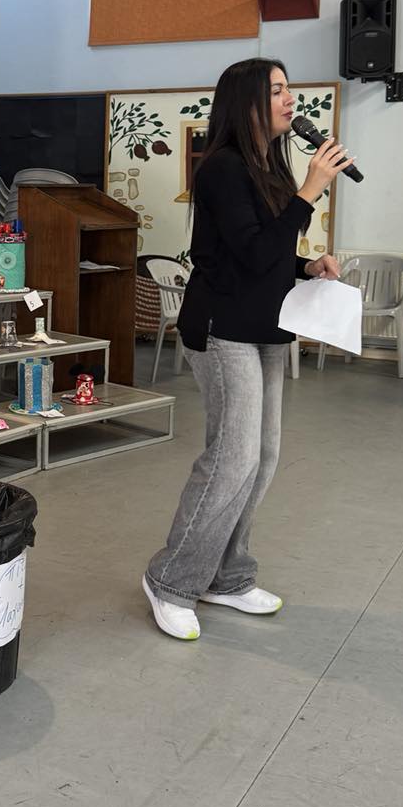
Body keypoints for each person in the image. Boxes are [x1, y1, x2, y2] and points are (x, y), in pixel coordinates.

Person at [142, 60, 349, 641]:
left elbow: (268, 253)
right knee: (231, 459)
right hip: (222, 327)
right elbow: (253, 255)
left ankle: (227, 577)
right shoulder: (221, 168)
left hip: (264, 325)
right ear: (248, 102)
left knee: (262, 456)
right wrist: (310, 190)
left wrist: (307, 265)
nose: (290, 100)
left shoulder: (268, 166)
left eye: (289, 90)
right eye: (277, 91)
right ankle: (171, 581)